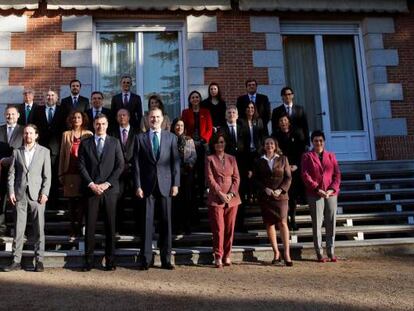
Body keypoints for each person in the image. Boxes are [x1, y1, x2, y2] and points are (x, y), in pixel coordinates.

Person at [134, 107, 180, 270]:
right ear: (148, 119)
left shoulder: (171, 138)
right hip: (147, 186)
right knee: (146, 224)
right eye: (152, 117)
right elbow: (137, 165)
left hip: (166, 185)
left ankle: (166, 259)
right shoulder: (140, 138)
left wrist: (176, 184)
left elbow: (175, 163)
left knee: (166, 223)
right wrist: (138, 185)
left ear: (163, 119)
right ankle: (145, 259)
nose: (154, 119)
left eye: (157, 117)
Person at [78, 113, 124, 271]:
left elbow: (120, 166)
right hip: (91, 191)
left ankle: (110, 260)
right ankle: (88, 261)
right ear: (93, 125)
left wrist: (106, 184)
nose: (100, 126)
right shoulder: (85, 143)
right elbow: (81, 166)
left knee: (110, 226)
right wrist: (91, 184)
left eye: (103, 124)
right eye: (98, 124)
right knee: (90, 227)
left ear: (107, 125)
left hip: (109, 191)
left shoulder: (115, 142)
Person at [3, 124, 51, 272]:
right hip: (19, 195)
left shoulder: (44, 152)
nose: (28, 136)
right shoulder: (17, 152)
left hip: (37, 196)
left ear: (36, 135)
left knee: (39, 229)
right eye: (25, 133)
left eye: (30, 133)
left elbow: (47, 176)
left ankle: (39, 260)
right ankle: (16, 261)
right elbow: (11, 174)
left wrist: (45, 193)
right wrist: (11, 191)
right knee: (18, 230)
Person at [301, 130, 341, 263]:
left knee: (331, 222)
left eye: (321, 141)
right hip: (315, 194)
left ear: (324, 142)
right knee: (317, 223)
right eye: (316, 141)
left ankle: (331, 250)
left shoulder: (331, 156)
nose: (318, 143)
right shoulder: (307, 156)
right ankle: (319, 252)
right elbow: (305, 175)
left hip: (331, 194)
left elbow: (337, 174)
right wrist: (317, 189)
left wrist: (331, 189)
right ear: (312, 142)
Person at [253, 137, 292, 266]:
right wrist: (265, 189)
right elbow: (256, 180)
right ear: (264, 146)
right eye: (266, 143)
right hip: (266, 197)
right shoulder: (259, 161)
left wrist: (281, 190)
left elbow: (288, 178)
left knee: (282, 222)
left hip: (281, 197)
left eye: (271, 143)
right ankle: (276, 252)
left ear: (275, 146)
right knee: (269, 224)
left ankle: (286, 253)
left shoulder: (283, 159)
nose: (269, 145)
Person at [206, 132, 241, 268]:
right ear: (213, 145)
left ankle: (227, 255)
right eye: (217, 142)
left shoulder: (232, 158)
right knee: (218, 229)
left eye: (222, 142)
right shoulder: (209, 159)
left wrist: (231, 194)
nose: (220, 145)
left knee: (229, 228)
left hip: (232, 198)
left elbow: (237, 178)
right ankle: (218, 255)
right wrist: (220, 193)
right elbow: (210, 178)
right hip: (216, 197)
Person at [58, 111, 93, 238]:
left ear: (83, 119)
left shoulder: (89, 134)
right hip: (70, 172)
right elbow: (62, 154)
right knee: (72, 203)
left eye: (79, 117)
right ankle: (73, 228)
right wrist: (61, 173)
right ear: (71, 120)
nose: (76, 119)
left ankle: (80, 227)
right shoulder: (66, 135)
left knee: (82, 202)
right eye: (74, 117)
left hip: (84, 173)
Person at [31, 89, 66, 206]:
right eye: (48, 95)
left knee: (53, 175)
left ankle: (53, 201)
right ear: (44, 98)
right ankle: (39, 198)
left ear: (56, 98)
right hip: (41, 147)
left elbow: (65, 128)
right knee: (41, 173)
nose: (50, 97)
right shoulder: (38, 110)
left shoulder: (62, 110)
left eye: (52, 95)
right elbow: (34, 127)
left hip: (56, 148)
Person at [273, 114, 307, 230]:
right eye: (281, 121)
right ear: (278, 123)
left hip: (294, 168)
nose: (283, 123)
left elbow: (301, 151)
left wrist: (296, 165)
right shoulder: (275, 136)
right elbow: (275, 152)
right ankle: (284, 219)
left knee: (292, 196)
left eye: (285, 120)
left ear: (289, 122)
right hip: (281, 169)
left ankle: (293, 218)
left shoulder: (297, 134)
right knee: (283, 195)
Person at [218, 105, 247, 232]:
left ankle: (240, 224)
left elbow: (247, 150)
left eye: (234, 112)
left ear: (237, 115)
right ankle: (229, 226)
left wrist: (249, 167)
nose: (231, 114)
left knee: (241, 196)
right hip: (227, 169)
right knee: (228, 195)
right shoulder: (221, 130)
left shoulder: (243, 129)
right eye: (229, 112)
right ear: (225, 116)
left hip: (242, 166)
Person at [181, 90, 213, 205]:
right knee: (191, 170)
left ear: (200, 99)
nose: (195, 99)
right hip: (190, 145)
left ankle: (201, 194)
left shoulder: (206, 112)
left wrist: (204, 139)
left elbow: (210, 128)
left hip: (203, 145)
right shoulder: (185, 112)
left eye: (197, 97)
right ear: (190, 100)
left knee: (201, 170)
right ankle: (192, 196)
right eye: (193, 97)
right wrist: (189, 139)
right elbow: (183, 128)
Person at [111, 108, 139, 234]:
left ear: (129, 117)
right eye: (119, 115)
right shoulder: (112, 133)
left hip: (134, 171)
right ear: (117, 118)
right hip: (118, 172)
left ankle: (138, 228)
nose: (122, 117)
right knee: (118, 201)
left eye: (124, 115)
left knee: (136, 200)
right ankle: (118, 229)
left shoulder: (137, 133)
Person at [171, 117, 197, 234]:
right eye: (177, 125)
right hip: (173, 175)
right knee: (175, 202)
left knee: (187, 200)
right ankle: (176, 227)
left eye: (181, 125)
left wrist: (189, 164)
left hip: (186, 173)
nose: (179, 127)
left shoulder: (189, 140)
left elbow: (193, 156)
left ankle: (187, 226)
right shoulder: (169, 139)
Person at [0, 106, 23, 235]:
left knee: (18, 202)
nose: (10, 117)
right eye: (8, 114)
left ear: (18, 115)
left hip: (18, 171)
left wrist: (12, 159)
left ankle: (18, 229)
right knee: (1, 201)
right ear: (5, 115)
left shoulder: (24, 130)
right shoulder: (0, 129)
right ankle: (2, 228)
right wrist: (3, 160)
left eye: (13, 114)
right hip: (1, 170)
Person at [239, 102, 264, 203]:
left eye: (252, 107)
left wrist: (261, 149)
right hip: (245, 152)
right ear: (245, 110)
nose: (250, 109)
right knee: (247, 174)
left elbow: (263, 136)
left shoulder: (259, 121)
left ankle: (255, 194)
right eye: (248, 107)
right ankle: (248, 195)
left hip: (257, 152)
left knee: (256, 173)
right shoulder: (241, 121)